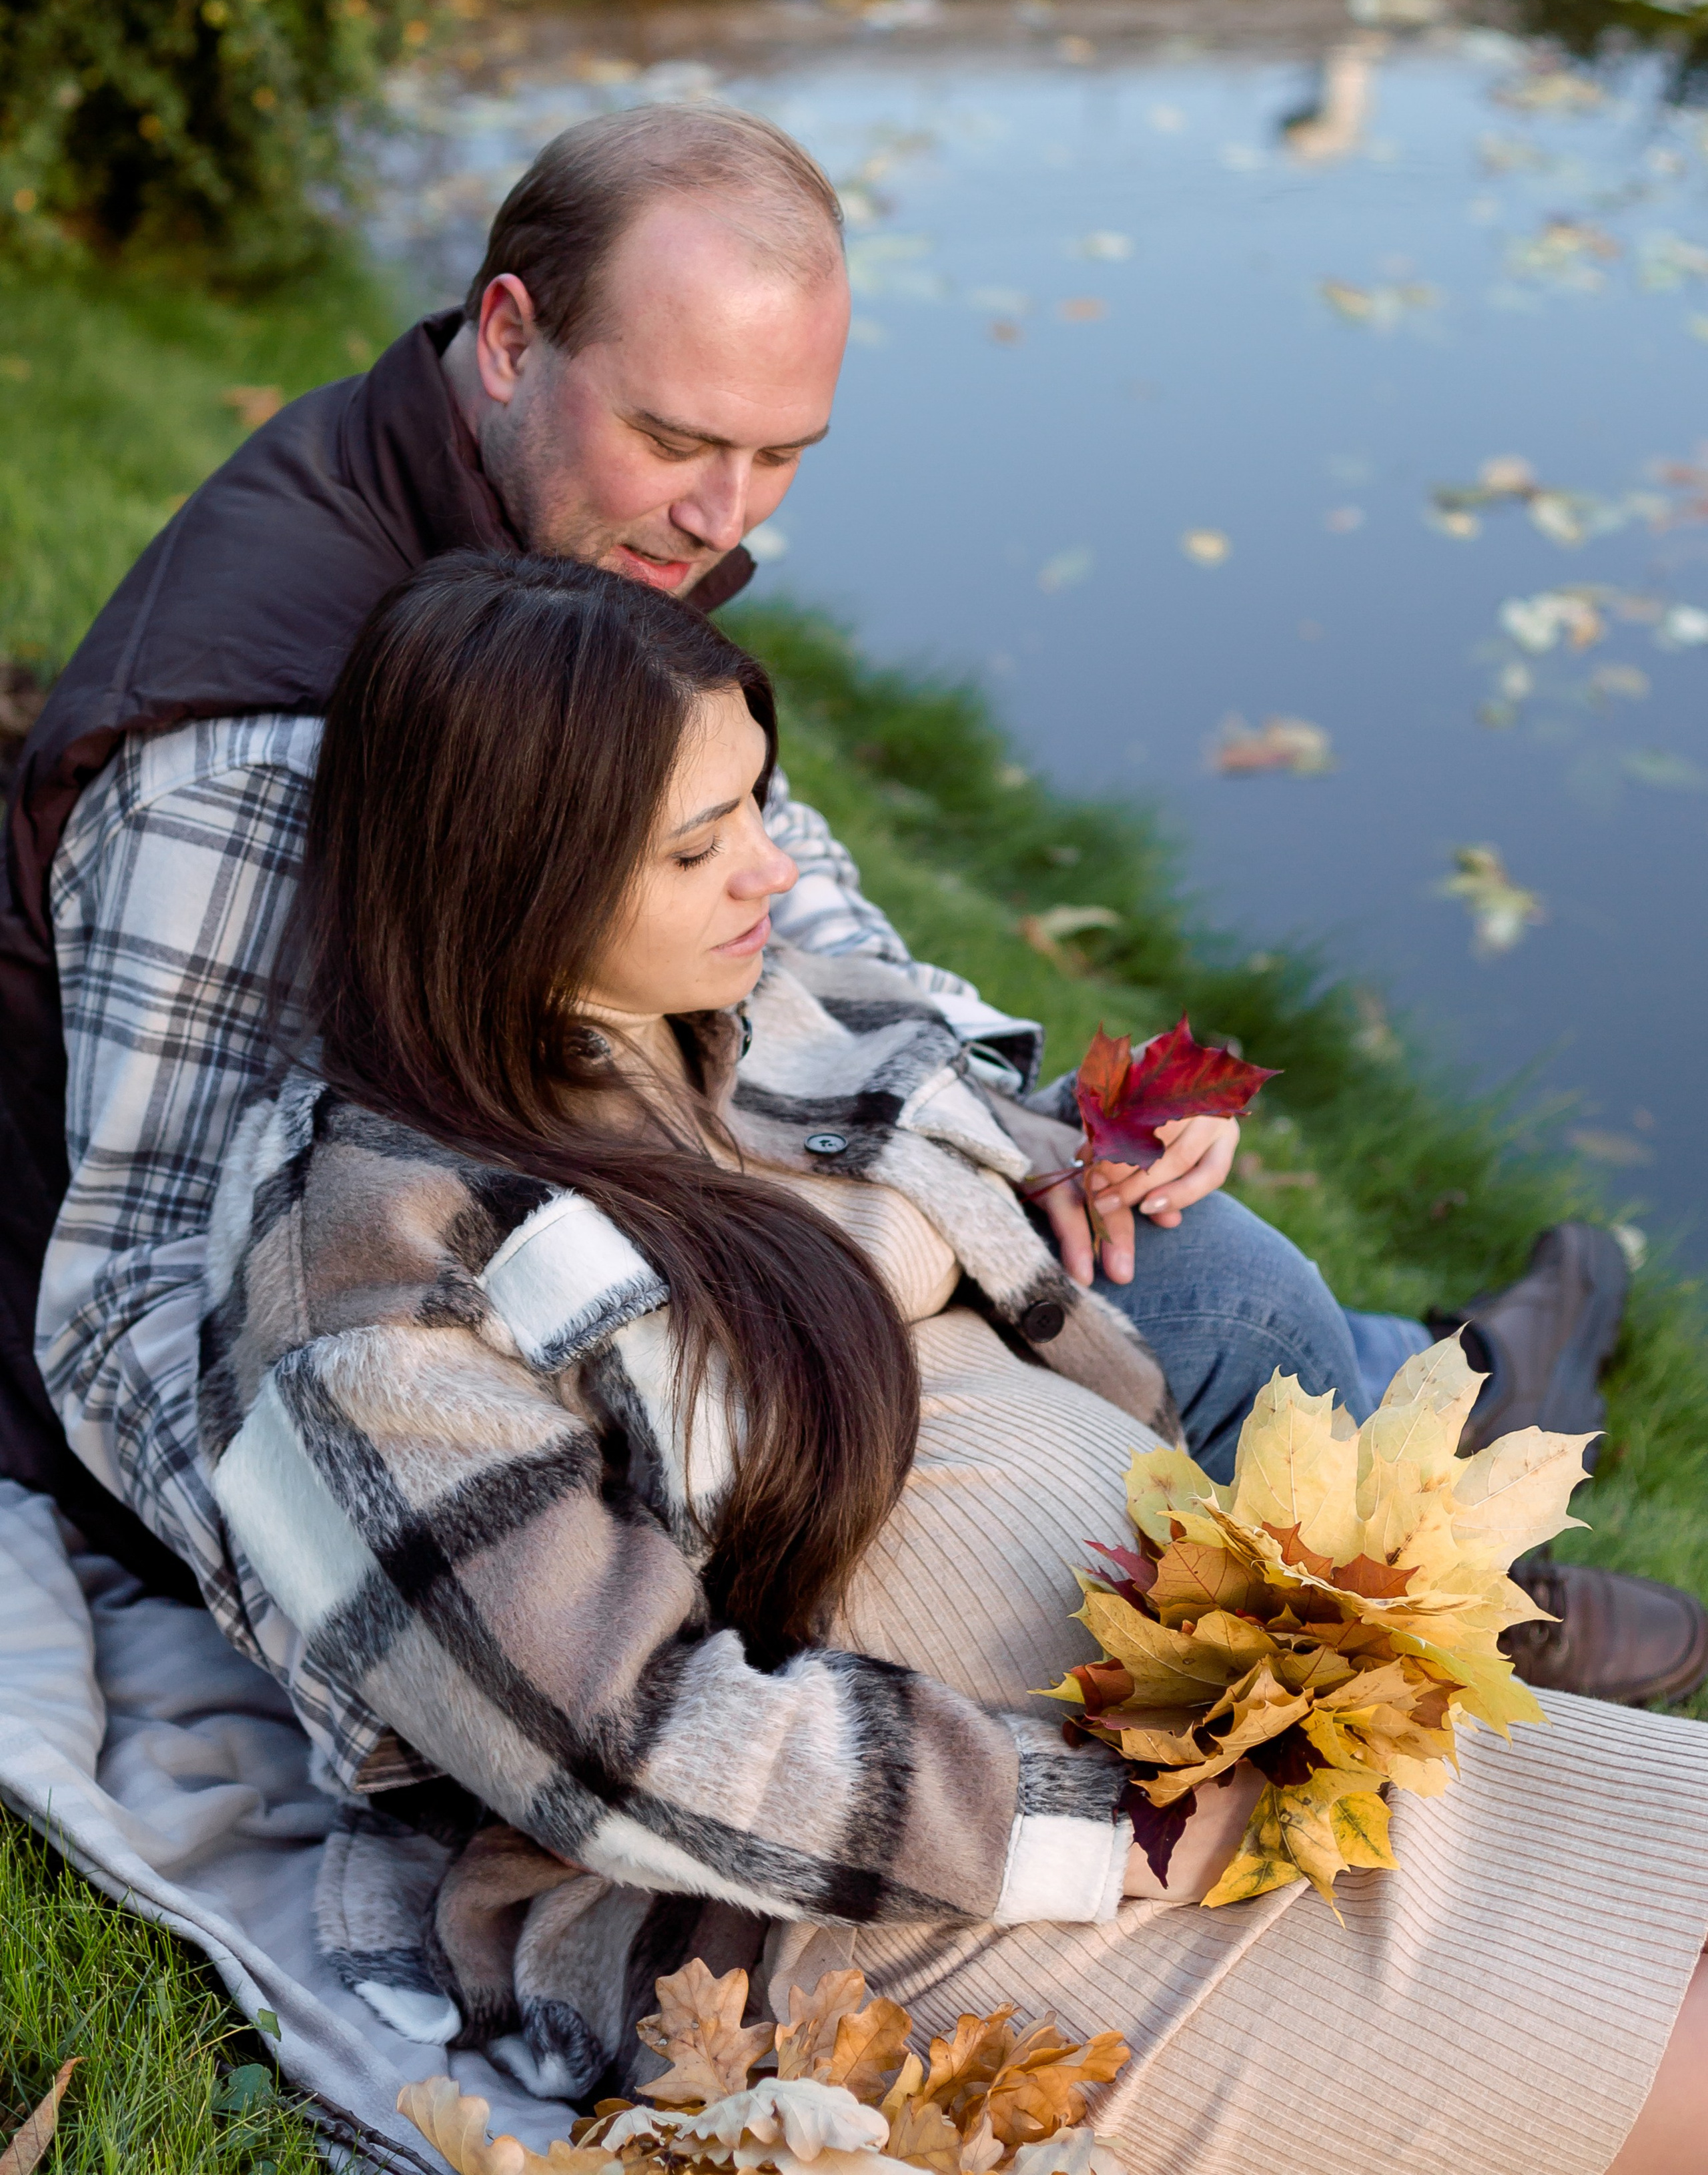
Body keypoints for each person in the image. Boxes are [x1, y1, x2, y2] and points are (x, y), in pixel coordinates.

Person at [3, 103, 1697, 1699]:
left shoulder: (568, 514)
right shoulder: (243, 757)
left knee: (1160, 1237)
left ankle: (1438, 1400)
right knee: (1218, 1301)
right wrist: (415, 1628)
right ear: (509, 335)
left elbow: (789, 884)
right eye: (675, 438)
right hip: (476, 1323)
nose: (720, 521)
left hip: (588, 1140)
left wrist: (1018, 1105)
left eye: (777, 456)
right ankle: (1444, 1533)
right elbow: (124, 1304)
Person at [199, 554, 1708, 2175]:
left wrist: (1105, 1144)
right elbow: (612, 1744)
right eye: (699, 846)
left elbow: (933, 1092)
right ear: (507, 876)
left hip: (1199, 1725)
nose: (769, 871)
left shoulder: (717, 1014)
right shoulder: (369, 1270)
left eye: (756, 807)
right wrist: (1095, 1824)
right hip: (872, 1909)